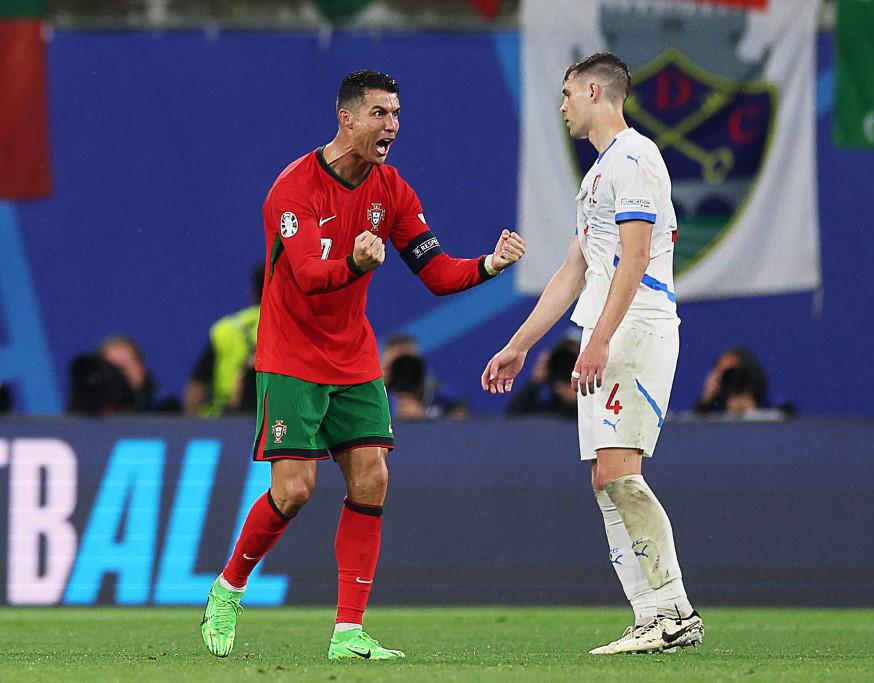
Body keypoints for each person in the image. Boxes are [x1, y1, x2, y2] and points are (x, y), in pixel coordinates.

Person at [200, 69, 525, 662]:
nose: (392, 127)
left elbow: (435, 271)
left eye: (397, 115)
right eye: (380, 114)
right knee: (295, 491)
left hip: (352, 356)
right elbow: (307, 277)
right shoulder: (293, 190)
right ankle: (229, 586)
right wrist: (354, 262)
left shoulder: (392, 191)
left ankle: (348, 631)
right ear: (345, 117)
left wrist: (489, 265)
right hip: (291, 355)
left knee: (373, 478)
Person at [481, 53, 702, 656]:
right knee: (606, 481)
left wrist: (601, 339)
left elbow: (634, 259)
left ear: (596, 91)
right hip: (606, 330)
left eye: (567, 94)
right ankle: (652, 615)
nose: (562, 107)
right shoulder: (601, 173)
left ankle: (672, 611)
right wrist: (518, 345)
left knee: (618, 472)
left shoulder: (636, 158)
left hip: (635, 329)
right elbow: (574, 270)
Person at [184, 265, 263, 416]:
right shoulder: (295, 327)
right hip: (277, 420)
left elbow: (196, 386)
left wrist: (189, 428)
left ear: (252, 292)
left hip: (225, 421)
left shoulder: (226, 329)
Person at [691, 346, 788, 420]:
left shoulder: (775, 413)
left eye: (738, 373)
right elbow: (692, 423)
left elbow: (790, 415)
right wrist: (705, 401)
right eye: (728, 375)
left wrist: (752, 411)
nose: (734, 378)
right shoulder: (712, 417)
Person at [505, 335, 580, 418]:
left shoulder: (594, 402)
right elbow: (511, 420)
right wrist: (534, 383)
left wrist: (579, 400)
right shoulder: (545, 402)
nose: (568, 364)